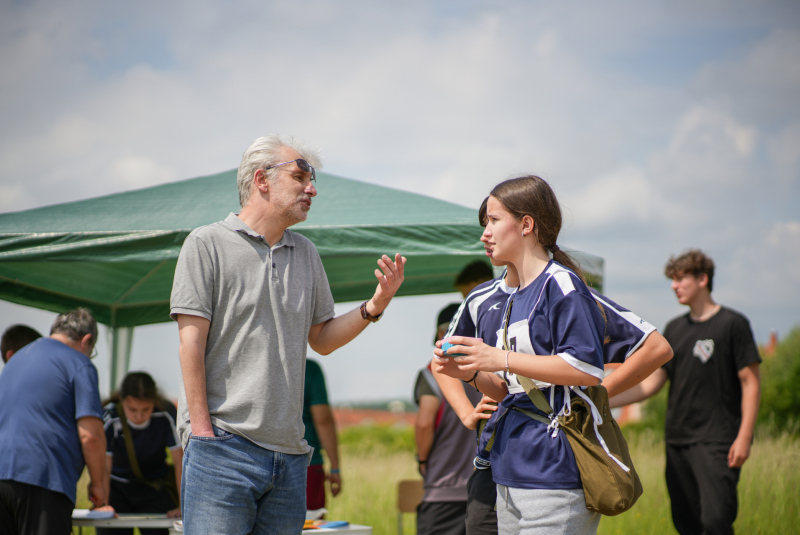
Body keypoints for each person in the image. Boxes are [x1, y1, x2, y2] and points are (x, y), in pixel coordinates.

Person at [170, 134, 406, 534]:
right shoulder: (206, 243)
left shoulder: (307, 253)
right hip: (223, 449)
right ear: (262, 180)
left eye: (312, 179)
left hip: (291, 458)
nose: (311, 189)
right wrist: (204, 435)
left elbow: (323, 340)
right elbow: (189, 344)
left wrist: (375, 306)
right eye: (300, 176)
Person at [434, 195, 673, 535]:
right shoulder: (483, 299)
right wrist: (470, 391)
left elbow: (654, 348)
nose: (484, 234)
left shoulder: (564, 286)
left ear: (526, 225)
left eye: (492, 221)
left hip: (554, 464)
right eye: (483, 223)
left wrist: (593, 397)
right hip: (502, 463)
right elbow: (464, 371)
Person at [610, 249, 761, 535]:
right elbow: (651, 384)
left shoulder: (733, 324)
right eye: (672, 280)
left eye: (680, 279)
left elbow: (751, 383)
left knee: (716, 522)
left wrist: (744, 437)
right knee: (686, 524)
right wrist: (599, 399)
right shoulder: (675, 329)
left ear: (703, 279)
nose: (673, 286)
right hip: (677, 440)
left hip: (718, 442)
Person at [0, 308, 107, 535]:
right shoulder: (79, 362)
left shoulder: (17, 359)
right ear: (87, 341)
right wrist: (98, 484)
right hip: (43, 478)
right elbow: (91, 436)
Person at [414, 303, 482, 535]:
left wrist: (422, 460)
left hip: (443, 487)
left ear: (441, 334)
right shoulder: (491, 371)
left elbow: (424, 422)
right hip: (485, 487)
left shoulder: (431, 373)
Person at [99, 372, 182, 535]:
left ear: (154, 401)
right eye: (132, 409)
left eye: (146, 409)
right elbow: (104, 465)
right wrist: (102, 504)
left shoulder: (165, 413)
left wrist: (182, 505)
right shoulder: (110, 416)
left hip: (154, 487)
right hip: (116, 488)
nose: (139, 416)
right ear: (122, 401)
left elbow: (180, 460)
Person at [303, 359, 341, 512]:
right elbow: (323, 420)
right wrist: (335, 469)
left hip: (255, 460)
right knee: (310, 525)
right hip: (307, 463)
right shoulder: (310, 368)